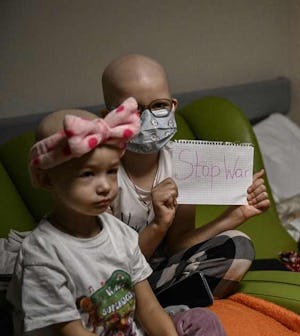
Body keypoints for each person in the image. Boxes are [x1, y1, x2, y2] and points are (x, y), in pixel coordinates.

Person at [6, 100, 225, 335]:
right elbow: (70, 331)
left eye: (111, 171)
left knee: (203, 320)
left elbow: (148, 308)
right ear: (46, 179)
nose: (105, 187)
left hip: (126, 329)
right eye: (88, 174)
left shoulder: (119, 232)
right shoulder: (42, 254)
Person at [101, 54, 270, 298]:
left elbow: (176, 246)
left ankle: (157, 308)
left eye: (159, 106)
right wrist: (159, 225)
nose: (148, 119)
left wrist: (235, 215)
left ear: (173, 106)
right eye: (133, 110)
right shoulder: (98, 175)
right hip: (112, 283)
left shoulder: (183, 164)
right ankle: (150, 311)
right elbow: (113, 267)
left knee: (238, 246)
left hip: (156, 276)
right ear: (108, 116)